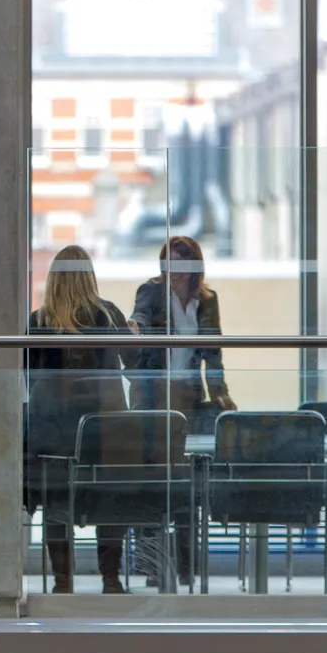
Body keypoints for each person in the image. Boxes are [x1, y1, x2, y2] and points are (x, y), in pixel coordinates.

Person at [127, 234, 236, 589]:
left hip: (187, 396)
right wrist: (136, 328)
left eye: (180, 264)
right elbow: (140, 317)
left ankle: (188, 566)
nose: (172, 271)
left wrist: (219, 392)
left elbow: (212, 351)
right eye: (167, 263)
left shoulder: (208, 300)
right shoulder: (152, 292)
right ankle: (151, 564)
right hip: (152, 396)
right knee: (151, 482)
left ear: (194, 268)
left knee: (185, 484)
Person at [26, 245, 135, 594]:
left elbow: (30, 379)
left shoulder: (37, 322)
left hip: (54, 434)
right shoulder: (109, 316)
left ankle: (62, 582)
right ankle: (111, 579)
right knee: (109, 503)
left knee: (57, 505)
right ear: (89, 276)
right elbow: (134, 363)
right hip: (106, 430)